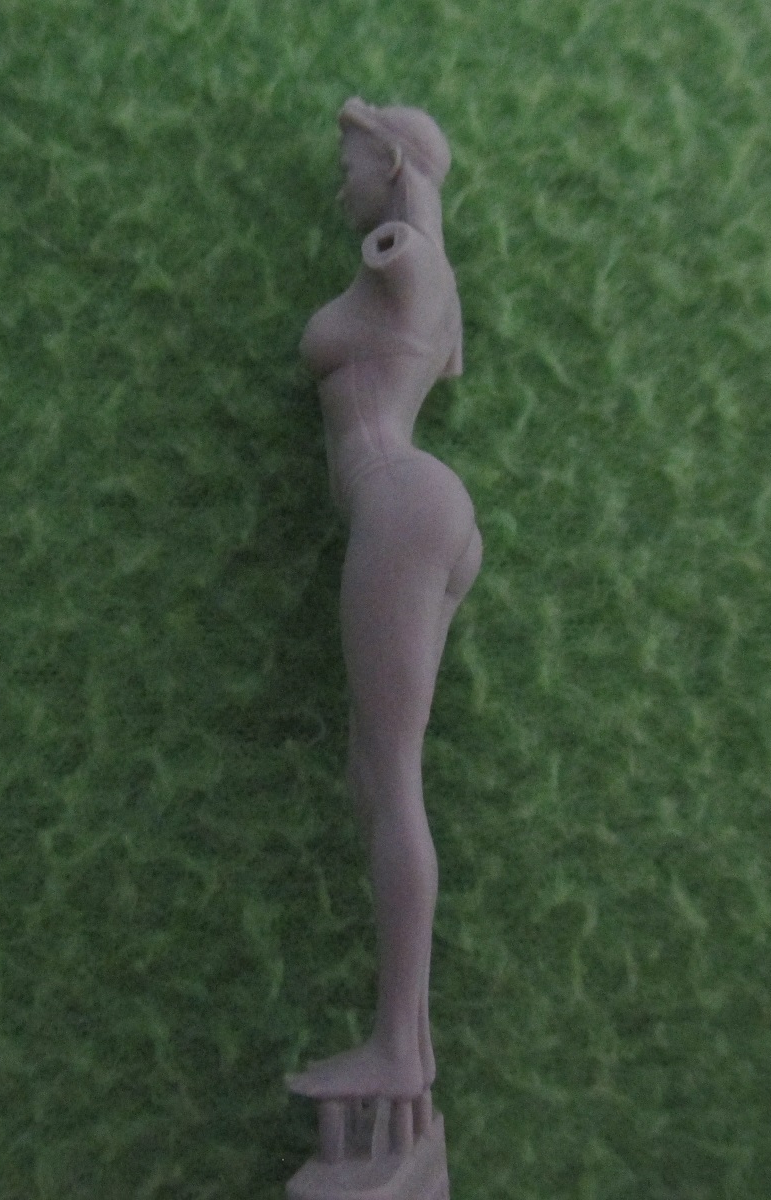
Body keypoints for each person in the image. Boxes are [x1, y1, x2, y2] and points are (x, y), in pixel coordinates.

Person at [288, 98, 481, 1103]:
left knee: (392, 774)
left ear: (395, 167)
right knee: (375, 772)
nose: (341, 185)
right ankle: (410, 1047)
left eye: (353, 163)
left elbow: (407, 258)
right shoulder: (431, 285)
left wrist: (408, 225)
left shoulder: (406, 259)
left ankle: (399, 1049)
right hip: (425, 509)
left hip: (399, 502)